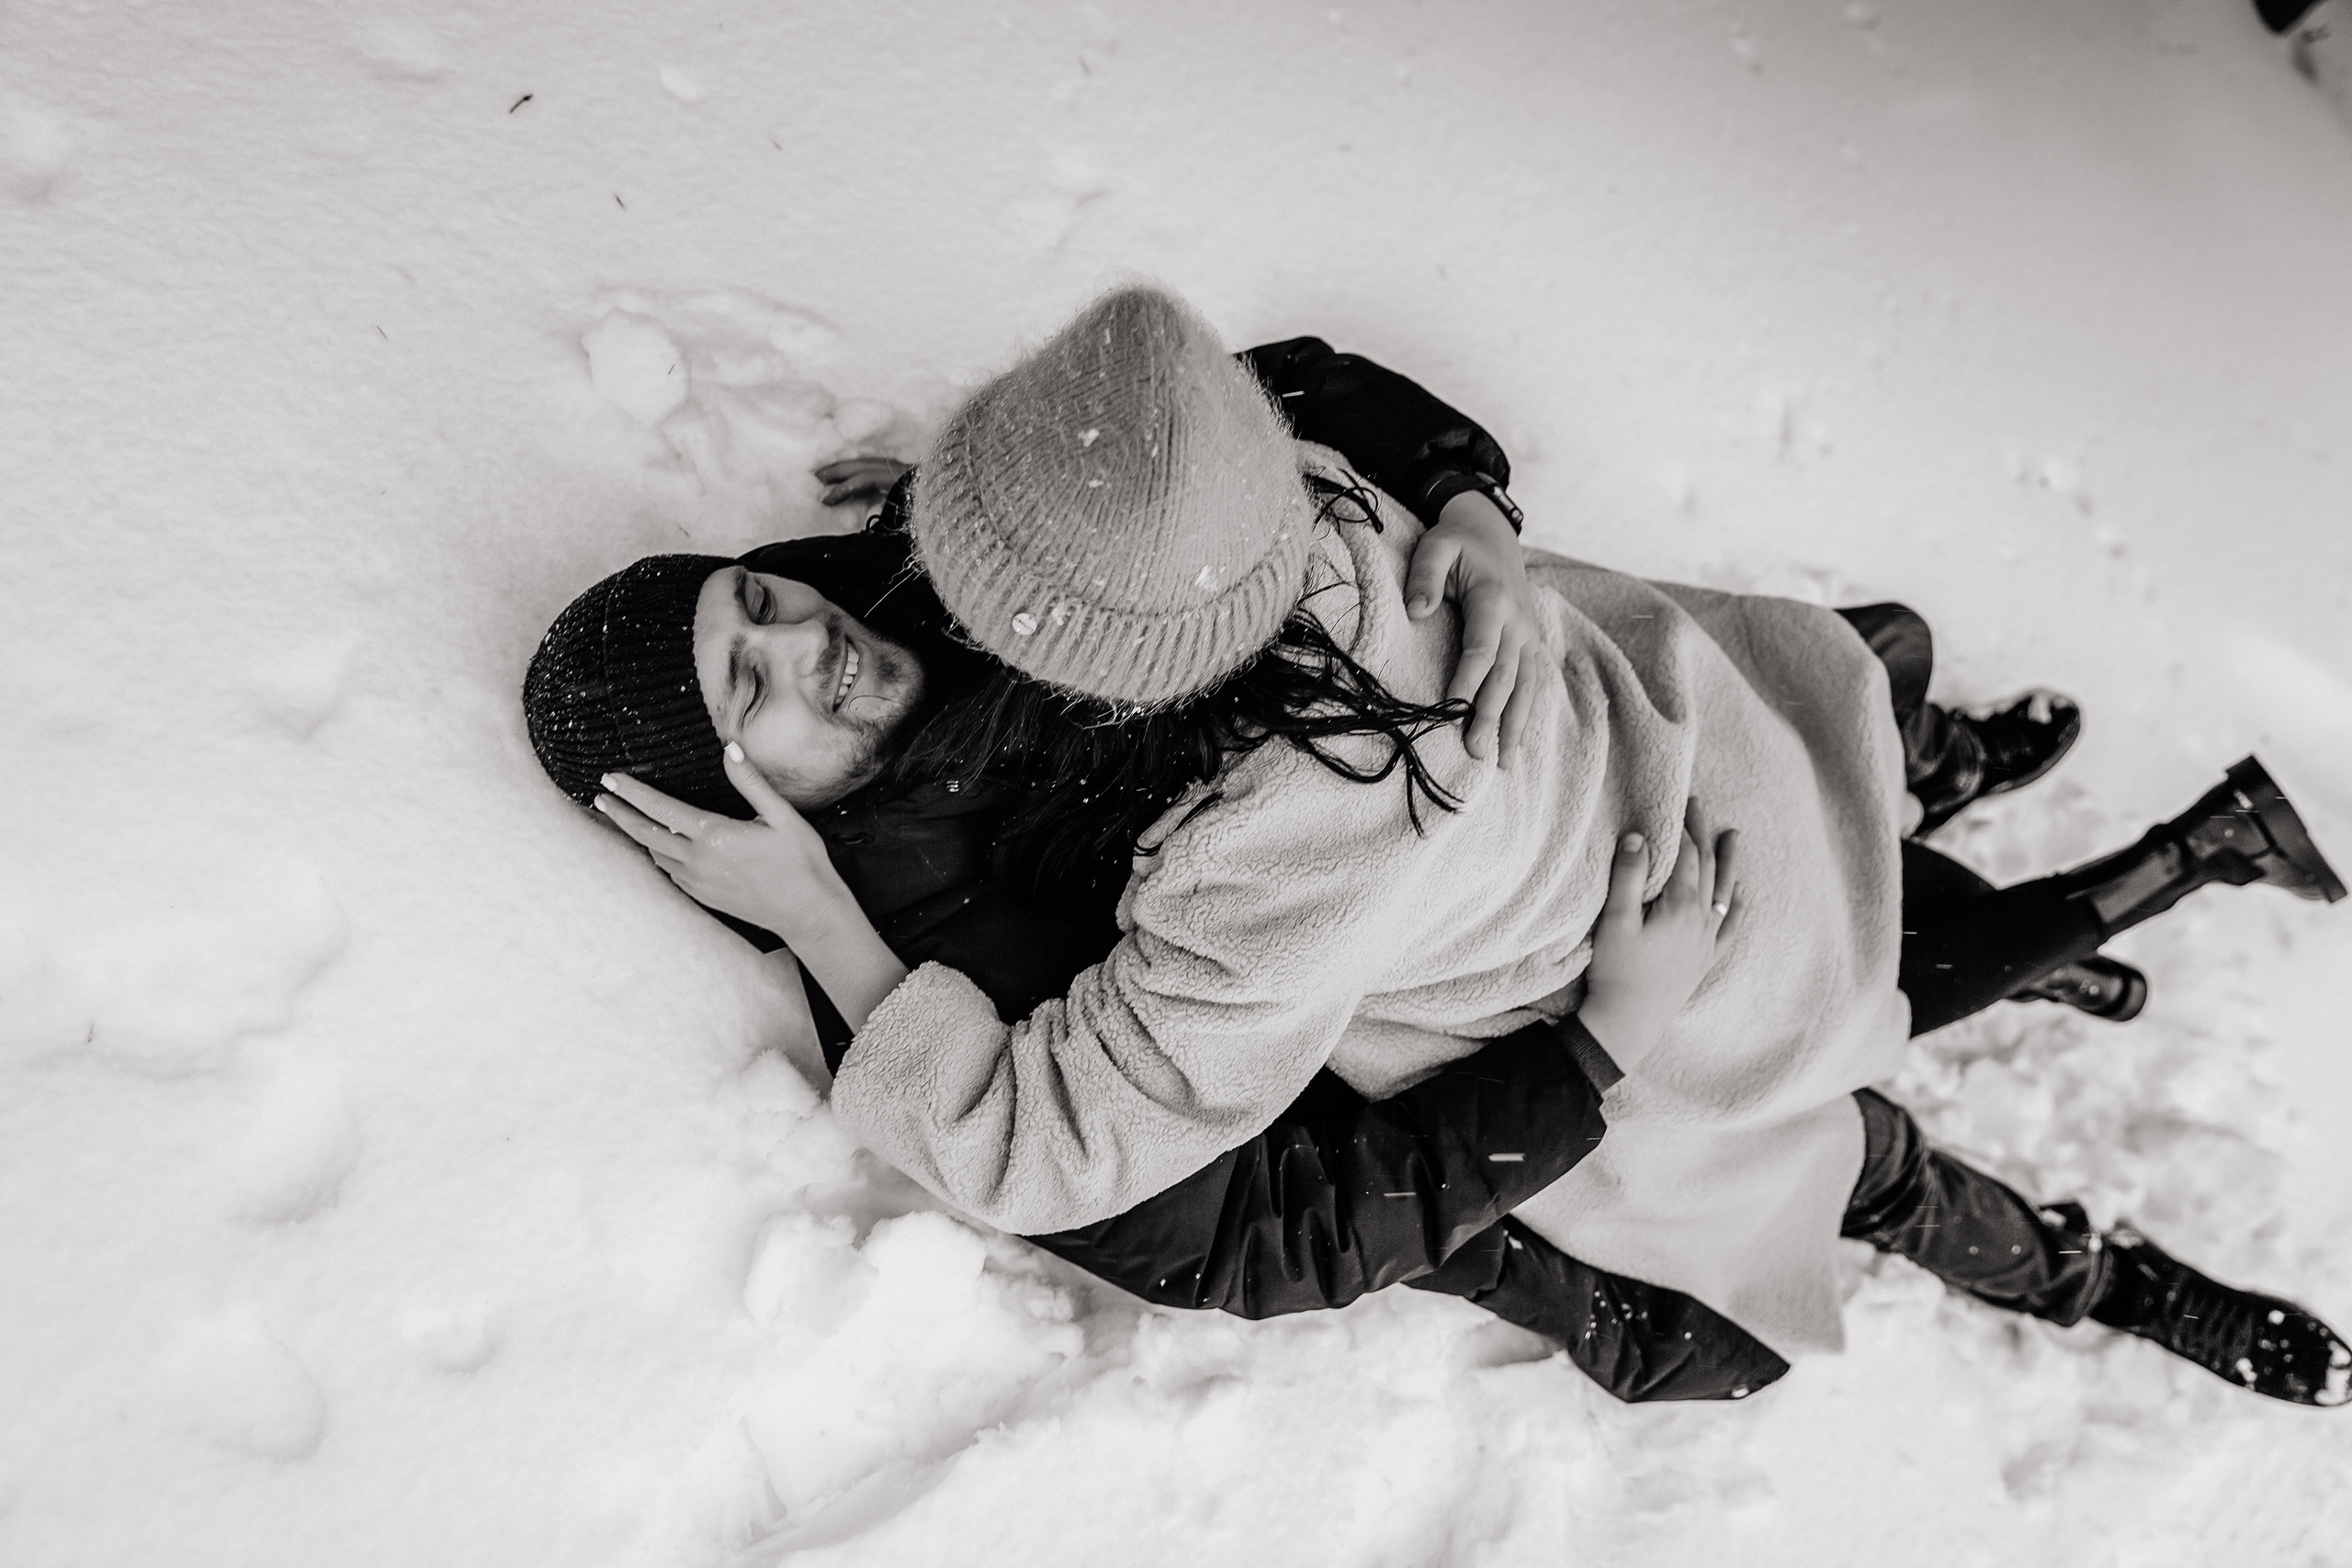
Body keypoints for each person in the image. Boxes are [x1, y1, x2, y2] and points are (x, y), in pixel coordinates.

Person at [527, 301, 2349, 1404]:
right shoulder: (1086, 778)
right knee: (1857, 1149)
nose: (819, 634)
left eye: (772, 602)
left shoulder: (1206, 739)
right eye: (756, 668)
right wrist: (833, 926)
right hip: (1629, 923)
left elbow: (1266, 394)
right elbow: (1198, 1212)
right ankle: (2108, 1231)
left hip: (1665, 845)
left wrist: (1451, 494)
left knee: (1862, 931)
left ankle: (2057, 864)